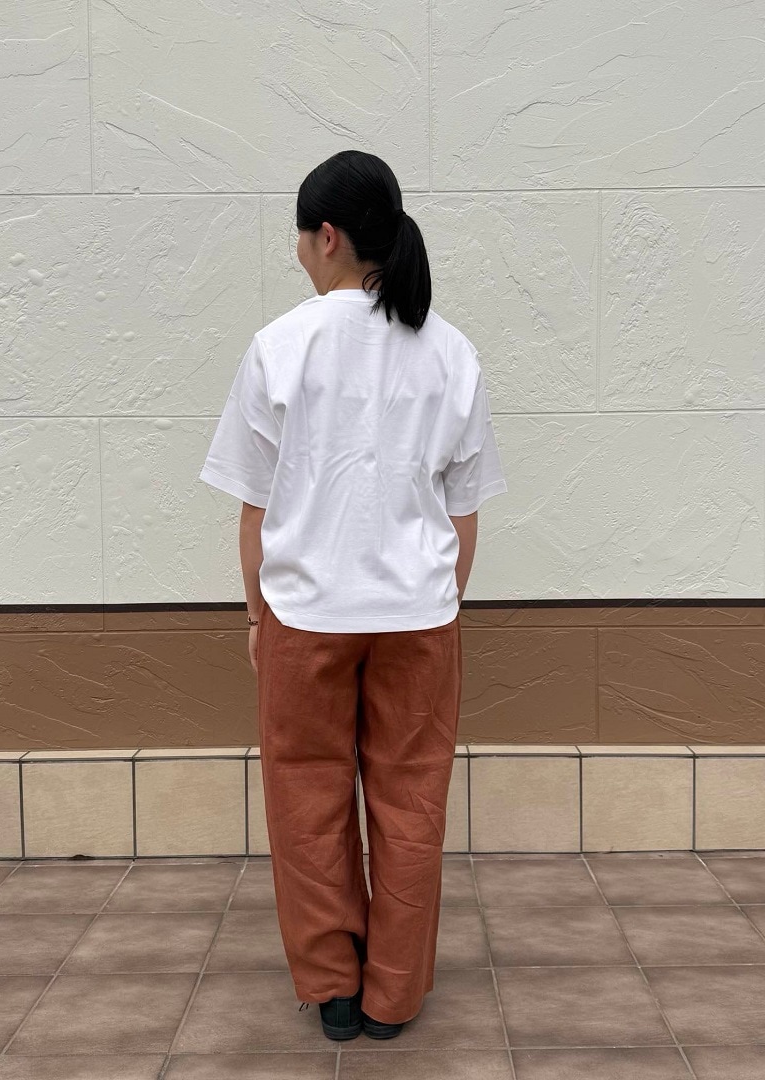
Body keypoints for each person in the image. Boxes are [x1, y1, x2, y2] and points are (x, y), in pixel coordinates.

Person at [197, 149, 507, 1041]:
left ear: (326, 236)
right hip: (420, 618)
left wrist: (256, 615)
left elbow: (255, 510)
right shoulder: (451, 352)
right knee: (411, 807)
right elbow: (463, 515)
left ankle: (334, 988)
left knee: (307, 802)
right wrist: (437, 603)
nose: (298, 251)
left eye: (300, 236)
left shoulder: (279, 346)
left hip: (305, 616)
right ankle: (393, 996)